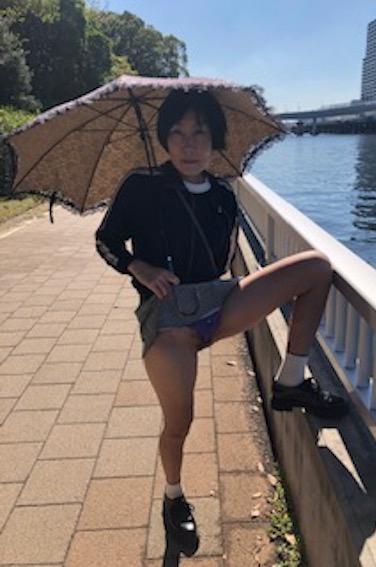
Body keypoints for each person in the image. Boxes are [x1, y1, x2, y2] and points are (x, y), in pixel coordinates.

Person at [95, 89, 348, 556]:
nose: (188, 144)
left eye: (200, 132)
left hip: (217, 302)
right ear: (164, 139)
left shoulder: (224, 196)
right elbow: (106, 240)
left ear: (215, 140)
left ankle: (291, 381)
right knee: (180, 421)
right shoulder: (141, 186)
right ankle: (173, 497)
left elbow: (220, 264)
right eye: (177, 132)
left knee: (315, 268)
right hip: (168, 318)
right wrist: (140, 267)